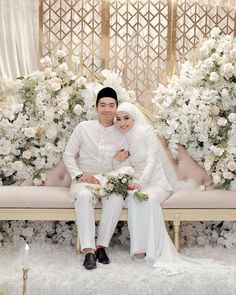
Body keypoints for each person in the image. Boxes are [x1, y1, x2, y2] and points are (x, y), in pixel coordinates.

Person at [63, 87, 129, 270]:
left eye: (111, 105)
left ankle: (102, 247)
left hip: (108, 178)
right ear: (96, 107)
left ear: (116, 107)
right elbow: (68, 154)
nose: (107, 109)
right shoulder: (83, 128)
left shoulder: (122, 133)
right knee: (84, 197)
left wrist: (114, 166)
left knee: (116, 198)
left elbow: (122, 164)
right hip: (84, 178)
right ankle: (89, 251)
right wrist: (79, 175)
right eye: (103, 105)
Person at [113, 101, 182, 265]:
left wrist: (141, 182)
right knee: (133, 199)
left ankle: (154, 249)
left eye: (126, 118)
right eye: (119, 119)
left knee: (147, 199)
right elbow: (120, 166)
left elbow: (152, 160)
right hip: (136, 183)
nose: (122, 123)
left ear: (134, 117)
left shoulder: (146, 132)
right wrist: (117, 160)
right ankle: (139, 249)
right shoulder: (121, 137)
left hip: (157, 183)